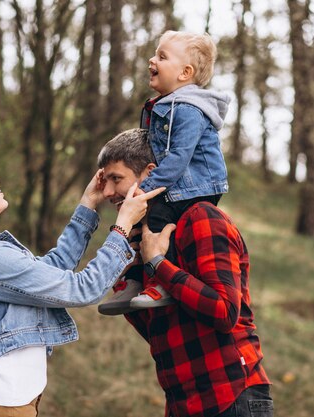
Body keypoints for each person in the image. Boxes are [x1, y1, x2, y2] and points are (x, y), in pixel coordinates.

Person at [0, 155, 163, 417]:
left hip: (6, 406)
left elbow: (53, 269)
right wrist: (122, 226)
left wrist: (88, 204)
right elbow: (83, 288)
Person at [97, 129, 273, 417]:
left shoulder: (201, 217)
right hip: (183, 402)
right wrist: (133, 268)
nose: (107, 192)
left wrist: (158, 264)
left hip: (231, 397)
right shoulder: (147, 237)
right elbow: (159, 332)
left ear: (149, 173)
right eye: (105, 182)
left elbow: (225, 311)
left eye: (116, 179)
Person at [101, 30, 231, 312]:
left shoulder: (188, 109)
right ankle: (134, 279)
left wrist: (146, 188)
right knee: (137, 221)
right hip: (175, 183)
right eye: (154, 53)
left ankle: (162, 282)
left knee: (157, 218)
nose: (151, 60)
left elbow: (178, 157)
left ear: (185, 72)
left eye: (162, 56)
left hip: (195, 186)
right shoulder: (163, 106)